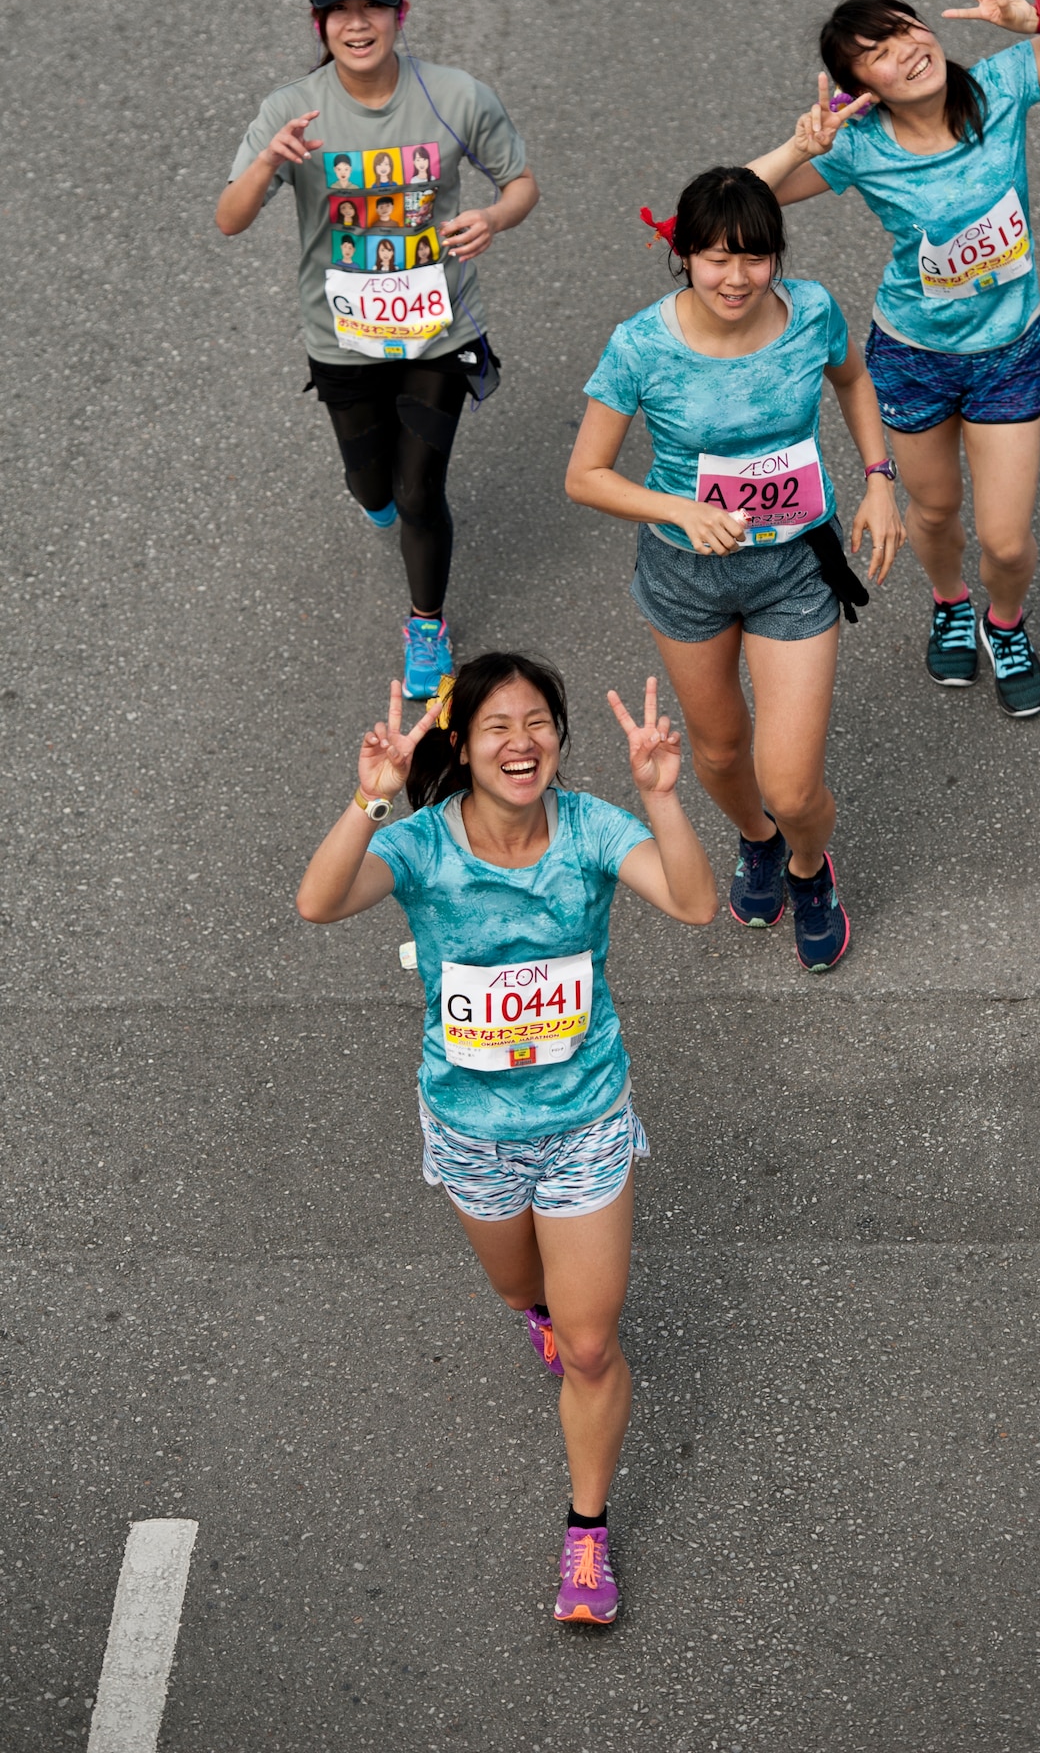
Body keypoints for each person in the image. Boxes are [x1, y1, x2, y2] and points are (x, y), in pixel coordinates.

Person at [296, 654, 717, 1623]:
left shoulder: (590, 830)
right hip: (471, 1131)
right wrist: (367, 798)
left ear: (560, 740)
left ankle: (585, 1532)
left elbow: (694, 901)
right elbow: (319, 899)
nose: (520, 740)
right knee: (513, 1285)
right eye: (496, 724)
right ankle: (534, 1305)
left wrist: (662, 798)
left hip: (583, 1123)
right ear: (463, 746)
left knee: (591, 1342)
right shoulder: (422, 846)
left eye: (538, 721)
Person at [748, 0, 1040, 717]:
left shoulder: (997, 87)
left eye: (904, 30)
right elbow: (730, 206)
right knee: (931, 515)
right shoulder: (857, 146)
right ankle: (950, 602)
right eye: (879, 55)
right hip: (912, 356)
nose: (906, 51)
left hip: (1008, 352)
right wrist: (802, 145)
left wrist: (1033, 16)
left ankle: (1004, 622)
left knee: (1006, 539)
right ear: (859, 88)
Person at [566, 166, 904, 973]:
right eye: (716, 257)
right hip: (687, 578)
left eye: (754, 258)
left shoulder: (812, 312)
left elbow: (851, 379)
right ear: (684, 254)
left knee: (791, 787)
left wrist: (879, 478)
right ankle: (756, 843)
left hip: (793, 569)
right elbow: (585, 474)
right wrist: (679, 509)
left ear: (776, 259)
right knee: (719, 755)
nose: (736, 276)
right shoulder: (641, 345)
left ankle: (807, 866)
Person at [217, 0, 539, 693]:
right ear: (318, 23)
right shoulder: (288, 111)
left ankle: (425, 626)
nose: (357, 25)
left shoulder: (457, 97)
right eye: (340, 12)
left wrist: (494, 217)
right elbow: (229, 219)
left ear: (401, 14)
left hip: (439, 326)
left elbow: (520, 183)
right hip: (342, 337)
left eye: (372, 8)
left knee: (421, 488)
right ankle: (378, 500)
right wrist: (269, 161)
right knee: (374, 489)